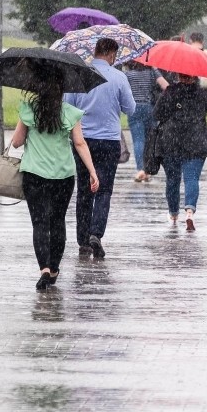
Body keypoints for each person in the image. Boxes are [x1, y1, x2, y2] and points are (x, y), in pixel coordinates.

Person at [10, 60, 99, 290]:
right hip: (63, 176)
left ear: (38, 86)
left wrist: (24, 127)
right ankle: (55, 268)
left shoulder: (29, 110)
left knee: (39, 223)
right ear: (61, 87)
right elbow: (79, 143)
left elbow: (17, 143)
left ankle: (44, 269)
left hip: (34, 175)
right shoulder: (70, 113)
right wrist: (92, 171)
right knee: (57, 222)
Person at [64, 37, 136, 259]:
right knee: (103, 189)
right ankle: (96, 233)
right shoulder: (119, 78)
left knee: (85, 190)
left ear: (95, 52)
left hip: (82, 141)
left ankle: (83, 240)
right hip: (108, 141)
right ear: (112, 54)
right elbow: (130, 109)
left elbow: (67, 106)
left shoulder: (79, 75)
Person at [152, 72, 207, 230]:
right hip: (196, 141)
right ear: (194, 76)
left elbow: (157, 114)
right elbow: (204, 111)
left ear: (178, 75)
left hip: (170, 141)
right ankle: (189, 211)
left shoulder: (169, 92)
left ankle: (173, 214)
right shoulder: (202, 94)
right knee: (191, 178)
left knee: (172, 180)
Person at [123, 60, 168, 182]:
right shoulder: (151, 72)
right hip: (149, 108)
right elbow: (165, 86)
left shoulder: (128, 75)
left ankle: (140, 169)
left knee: (138, 140)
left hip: (134, 108)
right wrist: (153, 67)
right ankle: (148, 170)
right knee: (149, 141)